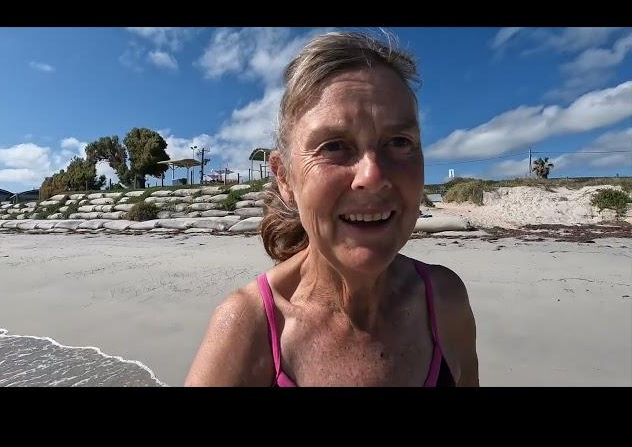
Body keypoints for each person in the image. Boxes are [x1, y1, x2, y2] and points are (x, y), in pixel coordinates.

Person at [185, 31, 479, 387]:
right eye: (334, 146)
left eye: (399, 142)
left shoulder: (445, 301)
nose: (372, 175)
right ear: (284, 178)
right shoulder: (249, 329)